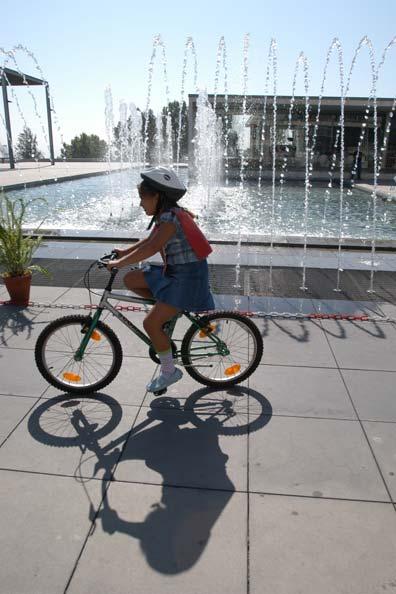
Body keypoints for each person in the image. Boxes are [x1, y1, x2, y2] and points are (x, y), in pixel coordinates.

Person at [107, 166, 215, 393]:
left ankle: (169, 371)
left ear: (157, 196)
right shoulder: (166, 215)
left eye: (142, 198)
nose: (140, 204)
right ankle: (165, 314)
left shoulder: (169, 219)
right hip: (177, 273)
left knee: (149, 323)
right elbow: (149, 241)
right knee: (132, 280)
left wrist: (119, 263)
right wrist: (124, 253)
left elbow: (153, 247)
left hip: (187, 279)